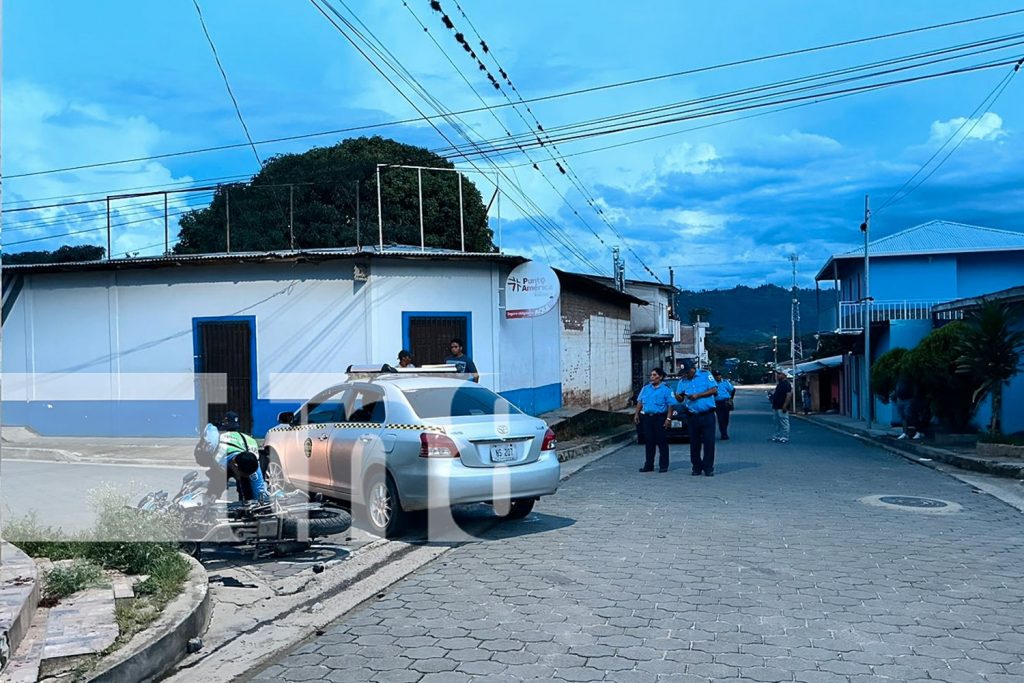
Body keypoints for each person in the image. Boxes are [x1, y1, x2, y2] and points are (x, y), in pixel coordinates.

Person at [195, 412, 267, 503]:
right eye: (241, 474)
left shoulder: (253, 465)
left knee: (248, 490)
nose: (240, 476)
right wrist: (214, 493)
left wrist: (258, 503)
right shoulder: (219, 454)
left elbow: (259, 490)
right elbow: (218, 478)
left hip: (240, 457)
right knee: (214, 491)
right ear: (235, 465)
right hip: (223, 462)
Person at [675, 360, 719, 476]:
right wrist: (678, 396)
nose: (686, 375)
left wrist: (698, 395)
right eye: (684, 373)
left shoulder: (705, 375)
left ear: (693, 369)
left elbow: (714, 389)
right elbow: (680, 398)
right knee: (694, 443)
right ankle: (696, 467)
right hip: (692, 415)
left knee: (709, 442)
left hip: (707, 414)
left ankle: (708, 467)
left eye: (687, 372)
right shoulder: (682, 381)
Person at [633, 367, 675, 473]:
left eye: (655, 375)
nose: (652, 377)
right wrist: (636, 414)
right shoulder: (646, 388)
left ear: (660, 377)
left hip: (660, 417)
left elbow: (670, 405)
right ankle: (649, 465)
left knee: (662, 442)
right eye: (651, 375)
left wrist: (668, 418)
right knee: (649, 442)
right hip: (647, 418)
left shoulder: (666, 389)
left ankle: (663, 465)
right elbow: (640, 402)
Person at [770, 371, 793, 443]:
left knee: (784, 422)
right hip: (776, 406)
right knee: (776, 422)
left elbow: (789, 395)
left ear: (784, 375)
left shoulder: (786, 384)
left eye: (779, 374)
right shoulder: (780, 384)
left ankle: (785, 437)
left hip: (782, 406)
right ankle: (776, 435)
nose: (777, 375)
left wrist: (785, 405)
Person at [711, 370, 735, 440]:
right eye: (716, 375)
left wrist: (731, 398)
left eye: (718, 375)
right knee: (720, 418)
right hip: (717, 402)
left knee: (726, 418)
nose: (717, 377)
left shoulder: (725, 382)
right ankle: (723, 433)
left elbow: (733, 389)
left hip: (725, 402)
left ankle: (724, 431)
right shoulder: (712, 383)